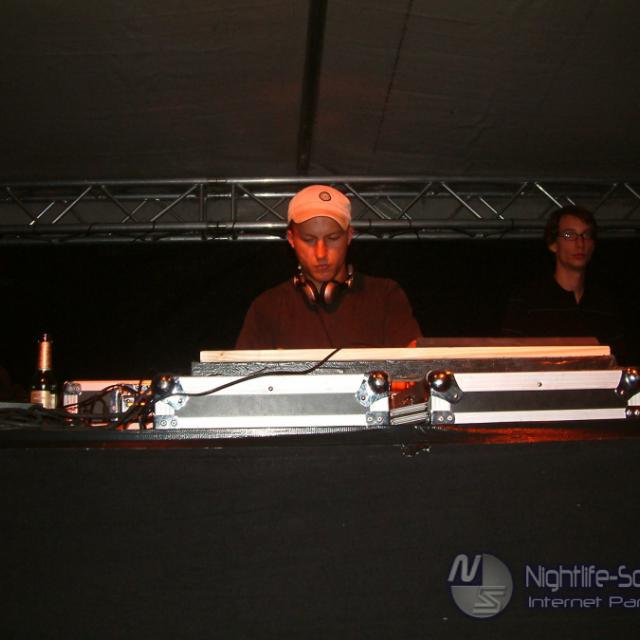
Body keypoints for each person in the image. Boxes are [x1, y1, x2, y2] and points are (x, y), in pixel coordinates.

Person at [235, 185, 421, 349]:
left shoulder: (386, 296)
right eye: (309, 240)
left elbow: (414, 369)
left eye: (332, 238)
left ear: (349, 236)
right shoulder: (267, 308)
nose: (321, 253)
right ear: (291, 239)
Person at [502, 205, 626, 360]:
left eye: (586, 235)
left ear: (593, 244)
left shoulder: (605, 303)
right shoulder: (528, 300)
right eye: (569, 235)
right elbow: (509, 358)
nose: (580, 243)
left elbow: (619, 360)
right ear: (553, 244)